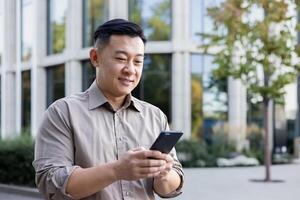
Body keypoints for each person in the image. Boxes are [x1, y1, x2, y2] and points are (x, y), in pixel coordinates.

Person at [33, 18, 183, 200]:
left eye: (138, 62)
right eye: (121, 59)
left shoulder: (155, 116)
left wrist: (164, 174)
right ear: (95, 58)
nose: (130, 70)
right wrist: (117, 170)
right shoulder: (62, 112)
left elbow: (170, 187)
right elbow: (51, 184)